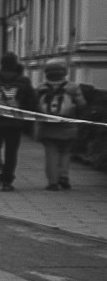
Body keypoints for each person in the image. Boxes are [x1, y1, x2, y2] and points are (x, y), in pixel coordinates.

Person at [0, 53, 35, 190]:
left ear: (1, 63)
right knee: (11, 150)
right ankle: (7, 180)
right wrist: (29, 122)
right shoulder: (24, 81)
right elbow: (31, 102)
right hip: (15, 122)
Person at [32, 62, 81, 190]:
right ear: (64, 74)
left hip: (47, 127)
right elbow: (82, 104)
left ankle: (53, 182)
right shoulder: (73, 88)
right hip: (68, 125)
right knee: (65, 152)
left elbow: (33, 106)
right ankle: (63, 176)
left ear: (47, 74)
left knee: (51, 154)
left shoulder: (41, 88)